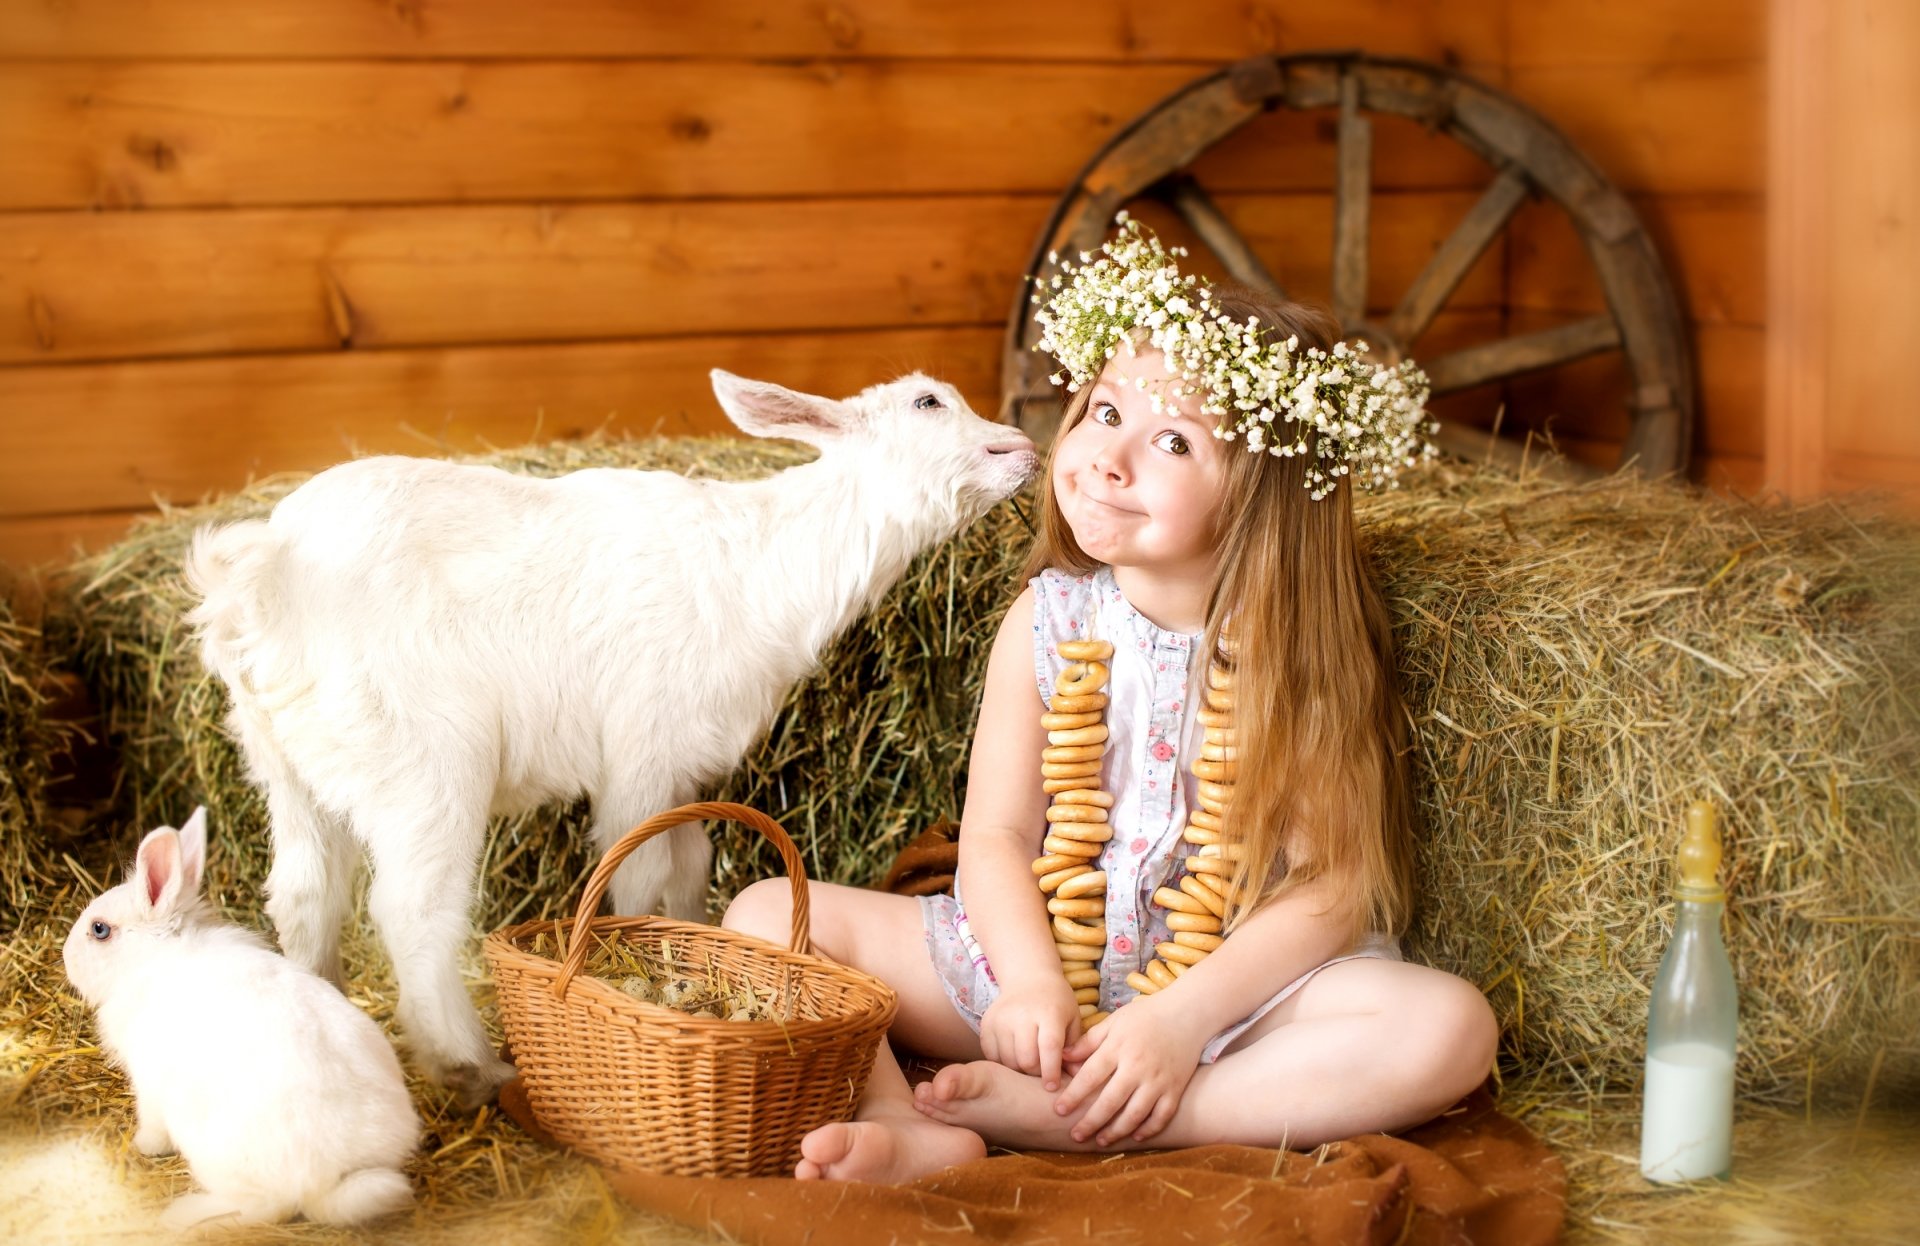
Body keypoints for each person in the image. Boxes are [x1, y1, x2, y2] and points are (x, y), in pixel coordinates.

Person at [722, 215, 1499, 1183]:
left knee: (1448, 1028)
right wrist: (1029, 982)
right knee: (765, 914)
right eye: (1103, 412)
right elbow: (998, 838)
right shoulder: (1046, 624)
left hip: (1228, 999)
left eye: (1173, 439)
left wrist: (1178, 1021)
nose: (1108, 457)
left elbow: (1334, 889)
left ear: (1265, 489)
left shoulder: (1298, 656)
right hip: (1022, 970)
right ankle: (904, 1116)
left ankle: (1116, 1117)